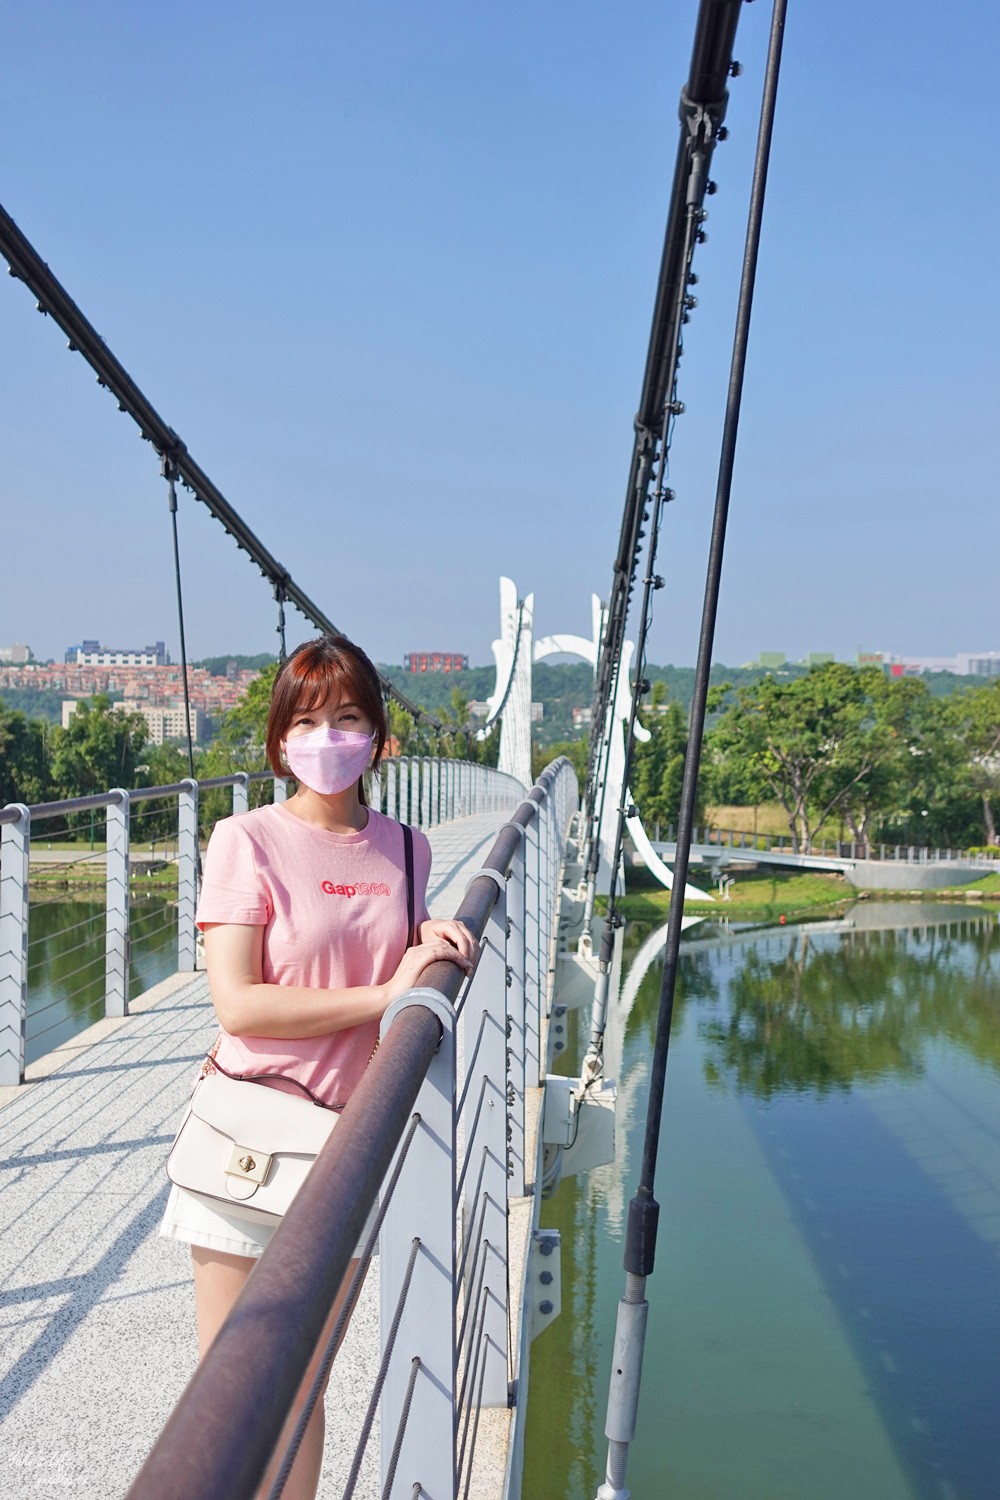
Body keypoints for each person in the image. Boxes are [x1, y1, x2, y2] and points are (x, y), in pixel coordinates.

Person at [160, 634, 476, 1500]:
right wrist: (388, 994)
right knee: (229, 1395)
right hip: (247, 1141)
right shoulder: (244, 840)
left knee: (305, 1391)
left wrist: (424, 939)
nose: (327, 736)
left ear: (380, 736)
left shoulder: (409, 849)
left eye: (347, 718)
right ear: (278, 740)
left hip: (349, 1151)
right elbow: (241, 1005)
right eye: (306, 720)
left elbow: (375, 940)